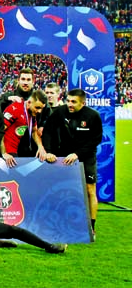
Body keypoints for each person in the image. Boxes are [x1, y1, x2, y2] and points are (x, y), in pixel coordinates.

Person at [42, 88, 103, 239]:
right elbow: (48, 131)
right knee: (62, 188)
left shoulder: (93, 116)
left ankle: (91, 227)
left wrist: (77, 154)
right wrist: (48, 151)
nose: (69, 104)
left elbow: (95, 140)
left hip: (85, 156)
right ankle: (61, 222)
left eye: (73, 102)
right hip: (64, 156)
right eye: (68, 100)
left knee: (90, 190)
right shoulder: (60, 112)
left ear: (83, 103)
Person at [0, 90, 47, 167]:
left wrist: (40, 147)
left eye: (41, 108)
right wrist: (4, 153)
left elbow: (34, 131)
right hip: (8, 152)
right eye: (37, 107)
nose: (39, 111)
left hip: (16, 150)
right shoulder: (15, 109)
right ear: (29, 103)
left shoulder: (32, 113)